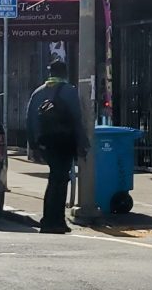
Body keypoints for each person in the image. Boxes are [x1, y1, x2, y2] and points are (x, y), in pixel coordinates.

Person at [26, 59, 88, 234]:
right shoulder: (70, 92)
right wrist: (82, 144)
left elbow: (30, 119)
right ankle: (56, 220)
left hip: (46, 142)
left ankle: (49, 219)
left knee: (54, 178)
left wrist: (34, 145)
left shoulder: (38, 93)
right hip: (65, 142)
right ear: (65, 73)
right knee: (60, 181)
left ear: (50, 73)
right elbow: (77, 120)